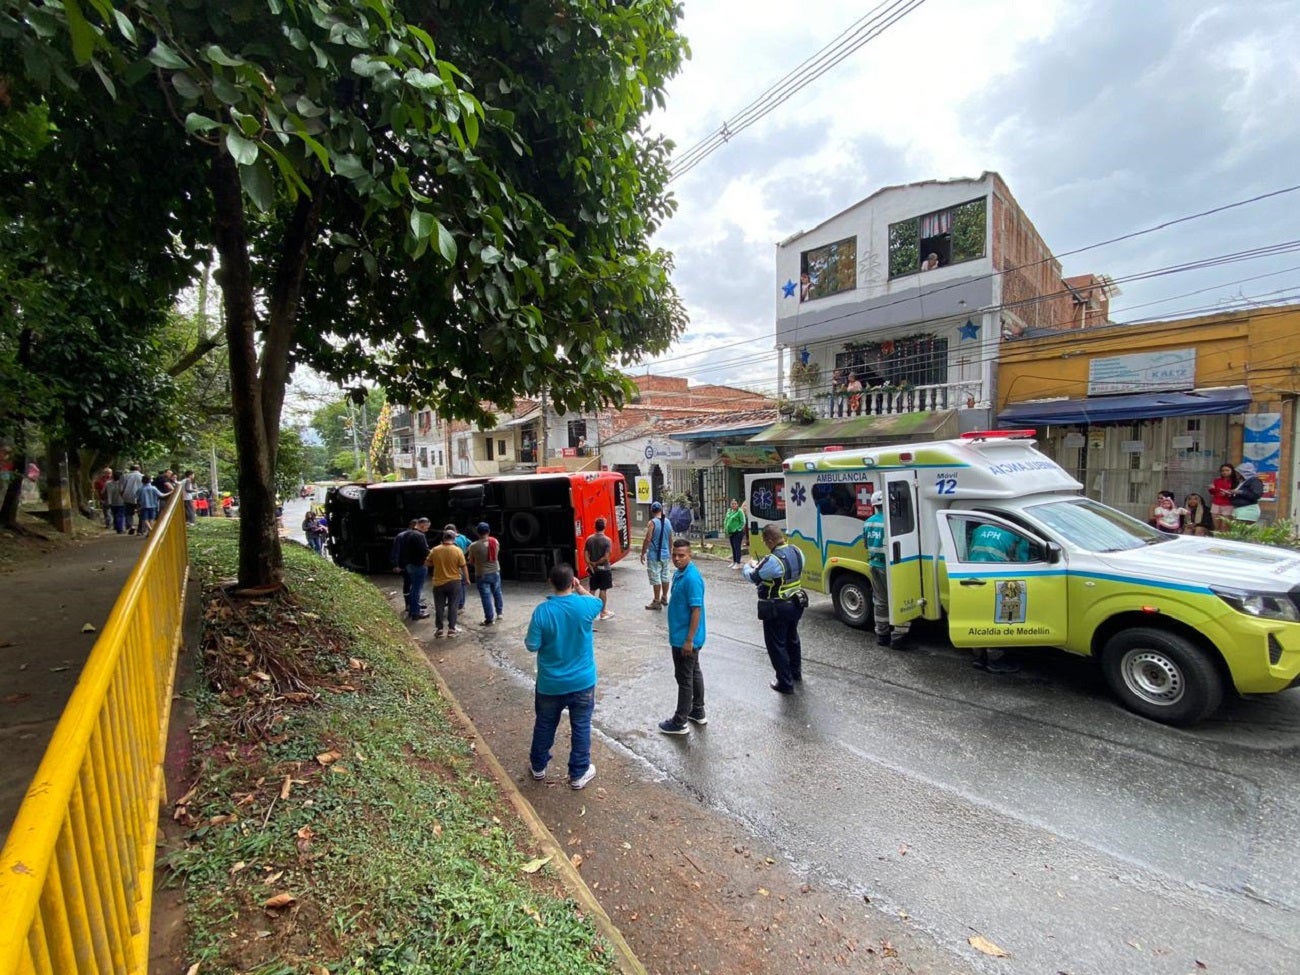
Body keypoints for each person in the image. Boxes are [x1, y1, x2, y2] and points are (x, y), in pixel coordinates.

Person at [525, 563, 603, 789]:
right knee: (581, 726)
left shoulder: (542, 611)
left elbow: (532, 645)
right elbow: (598, 603)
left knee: (545, 724)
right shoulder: (584, 606)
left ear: (550, 581)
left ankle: (538, 767)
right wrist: (580, 589)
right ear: (573, 581)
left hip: (550, 683)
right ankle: (578, 774)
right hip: (583, 682)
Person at [743, 524, 806, 694]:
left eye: (765, 542)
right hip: (797, 604)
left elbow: (753, 577)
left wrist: (749, 566)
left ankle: (784, 683)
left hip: (777, 607)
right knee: (792, 639)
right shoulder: (797, 551)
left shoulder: (774, 560)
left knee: (776, 645)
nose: (765, 545)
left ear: (770, 540)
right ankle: (795, 673)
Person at [658, 538, 708, 734]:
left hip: (685, 640)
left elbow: (696, 610)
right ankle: (697, 711)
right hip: (683, 637)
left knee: (684, 678)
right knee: (694, 673)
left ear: (690, 555)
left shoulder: (691, 578)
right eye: (674, 555)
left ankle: (679, 722)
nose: (677, 559)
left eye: (682, 555)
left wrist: (688, 640)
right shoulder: (680, 573)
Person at [966, 519, 1028, 673]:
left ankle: (980, 657)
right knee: (1009, 617)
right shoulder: (1020, 535)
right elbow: (1024, 563)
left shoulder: (979, 529)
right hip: (1001, 578)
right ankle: (1003, 659)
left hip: (974, 577)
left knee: (979, 618)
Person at [861, 490, 899, 648]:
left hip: (874, 565)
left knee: (880, 600)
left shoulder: (868, 522)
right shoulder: (892, 522)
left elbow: (865, 544)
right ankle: (899, 637)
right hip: (889, 567)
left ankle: (882, 634)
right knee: (899, 598)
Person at [427, 529, 469, 637]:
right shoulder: (457, 550)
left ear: (443, 538)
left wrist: (436, 563)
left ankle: (439, 629)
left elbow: (427, 562)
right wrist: (467, 579)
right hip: (454, 582)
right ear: (454, 539)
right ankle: (451, 629)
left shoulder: (435, 550)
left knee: (439, 606)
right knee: (453, 606)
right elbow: (463, 566)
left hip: (438, 582)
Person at [394, 517, 431, 620]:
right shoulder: (420, 536)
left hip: (409, 565)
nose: (427, 530)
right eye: (427, 527)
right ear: (423, 525)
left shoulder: (406, 534)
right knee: (416, 589)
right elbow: (425, 552)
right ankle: (416, 612)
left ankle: (413, 609)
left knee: (413, 587)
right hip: (418, 565)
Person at [468, 522, 504, 626]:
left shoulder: (473, 546)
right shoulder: (495, 541)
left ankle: (489, 619)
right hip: (495, 571)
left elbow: (471, 561)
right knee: (497, 592)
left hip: (482, 574)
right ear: (488, 531)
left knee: (486, 596)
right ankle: (500, 613)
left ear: (477, 533)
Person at [639, 501, 672, 610]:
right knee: (665, 575)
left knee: (656, 577)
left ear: (652, 511)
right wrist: (670, 552)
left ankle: (656, 601)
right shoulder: (667, 521)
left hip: (654, 555)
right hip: (665, 555)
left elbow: (648, 539)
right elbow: (671, 538)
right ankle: (664, 597)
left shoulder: (652, 523)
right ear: (661, 509)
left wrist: (643, 552)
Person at [583, 517, 616, 620]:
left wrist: (590, 564)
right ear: (604, 527)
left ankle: (589, 611)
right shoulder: (607, 540)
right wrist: (596, 563)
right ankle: (603, 612)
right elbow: (606, 557)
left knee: (592, 589)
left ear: (595, 527)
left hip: (593, 570)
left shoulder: (589, 539)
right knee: (603, 590)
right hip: (604, 569)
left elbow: (585, 553)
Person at [1208, 463, 1241, 534]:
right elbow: (1212, 492)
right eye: (1223, 471)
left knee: (1225, 527)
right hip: (1216, 504)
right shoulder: (1217, 480)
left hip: (1228, 505)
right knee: (1216, 526)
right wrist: (1211, 488)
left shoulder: (1236, 482)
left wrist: (1229, 493)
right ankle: (1216, 541)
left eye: (1227, 470)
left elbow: (1238, 494)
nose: (1225, 472)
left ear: (1232, 471)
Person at [445, 522, 471, 610]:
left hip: (454, 563)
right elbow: (471, 544)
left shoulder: (453, 541)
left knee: (455, 584)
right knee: (463, 584)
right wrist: (465, 552)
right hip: (462, 560)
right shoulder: (462, 537)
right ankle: (461, 604)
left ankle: (458, 604)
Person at [723, 498, 747, 569]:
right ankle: (734, 561)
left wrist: (738, 529)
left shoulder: (740, 511)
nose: (733, 505)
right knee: (733, 547)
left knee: (737, 547)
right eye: (732, 504)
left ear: (737, 504)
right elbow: (726, 520)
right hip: (731, 533)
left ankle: (738, 563)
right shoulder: (729, 511)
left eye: (735, 504)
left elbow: (743, 522)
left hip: (737, 533)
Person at [120, 463, 144, 534]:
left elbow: (121, 488)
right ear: (139, 469)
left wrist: (123, 496)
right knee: (141, 514)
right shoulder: (142, 476)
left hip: (128, 496)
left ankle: (131, 526)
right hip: (140, 497)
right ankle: (140, 530)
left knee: (128, 513)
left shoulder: (125, 476)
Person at [106, 469, 127, 534]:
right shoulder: (123, 484)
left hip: (113, 503)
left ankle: (118, 527)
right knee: (120, 516)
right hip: (121, 502)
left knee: (115, 516)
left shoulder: (108, 484)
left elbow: (109, 494)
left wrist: (109, 503)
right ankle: (120, 529)